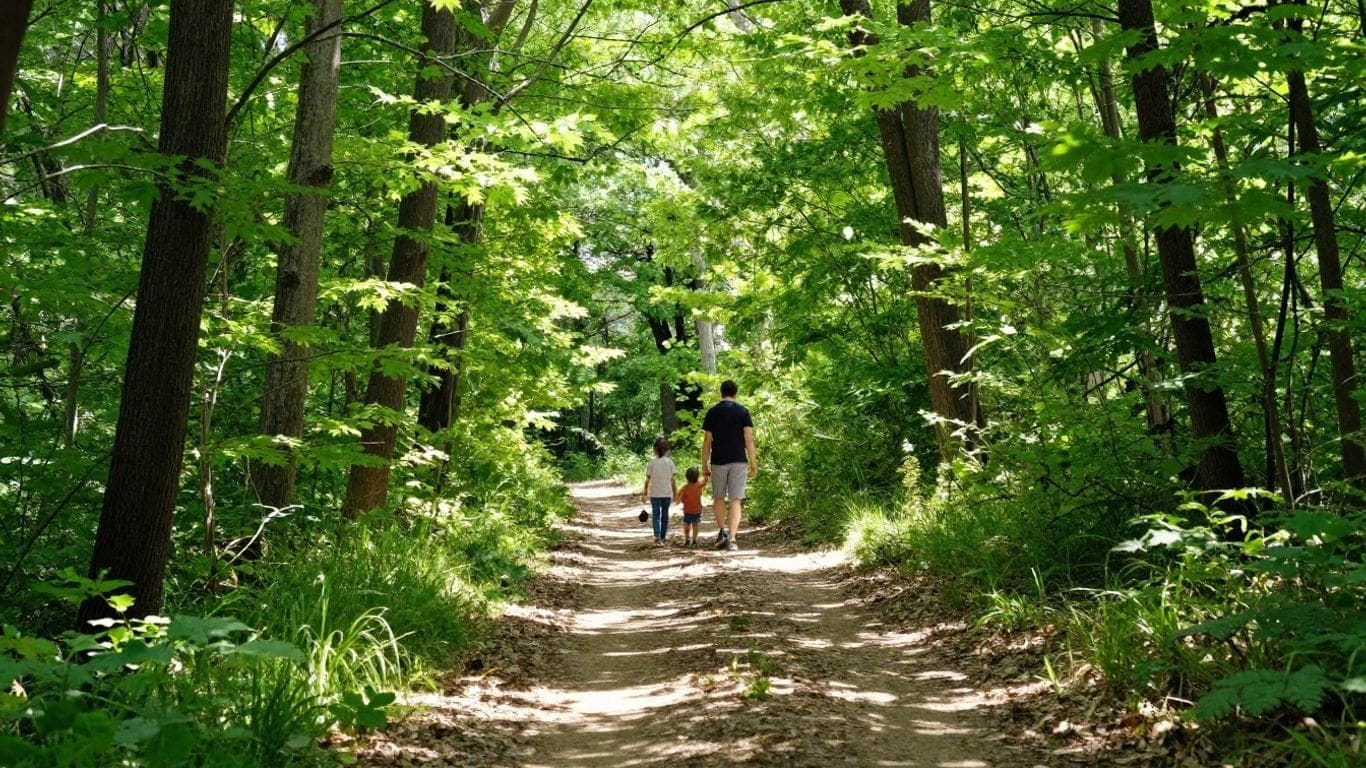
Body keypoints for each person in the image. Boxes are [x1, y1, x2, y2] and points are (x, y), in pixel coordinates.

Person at [701, 380, 757, 551]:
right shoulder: (743, 412)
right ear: (736, 393)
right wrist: (754, 463)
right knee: (735, 500)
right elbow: (748, 439)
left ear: (721, 393)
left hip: (718, 461)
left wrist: (704, 464)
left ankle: (722, 531)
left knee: (718, 497)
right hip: (739, 461)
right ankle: (732, 538)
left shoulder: (712, 412)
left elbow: (707, 441)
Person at [641, 436, 677, 546]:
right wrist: (676, 493)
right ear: (667, 449)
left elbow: (648, 479)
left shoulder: (652, 463)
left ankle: (657, 537)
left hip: (655, 494)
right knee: (665, 515)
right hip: (667, 493)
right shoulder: (670, 463)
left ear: (654, 449)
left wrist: (645, 493)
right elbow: (673, 480)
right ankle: (663, 536)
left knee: (656, 515)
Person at [674, 466, 706, 547]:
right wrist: (706, 476)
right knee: (695, 525)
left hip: (687, 511)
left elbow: (678, 498)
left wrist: (677, 501)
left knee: (686, 525)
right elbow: (705, 482)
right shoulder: (699, 485)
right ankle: (694, 540)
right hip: (697, 510)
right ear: (697, 476)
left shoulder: (685, 487)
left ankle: (687, 539)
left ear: (687, 477)